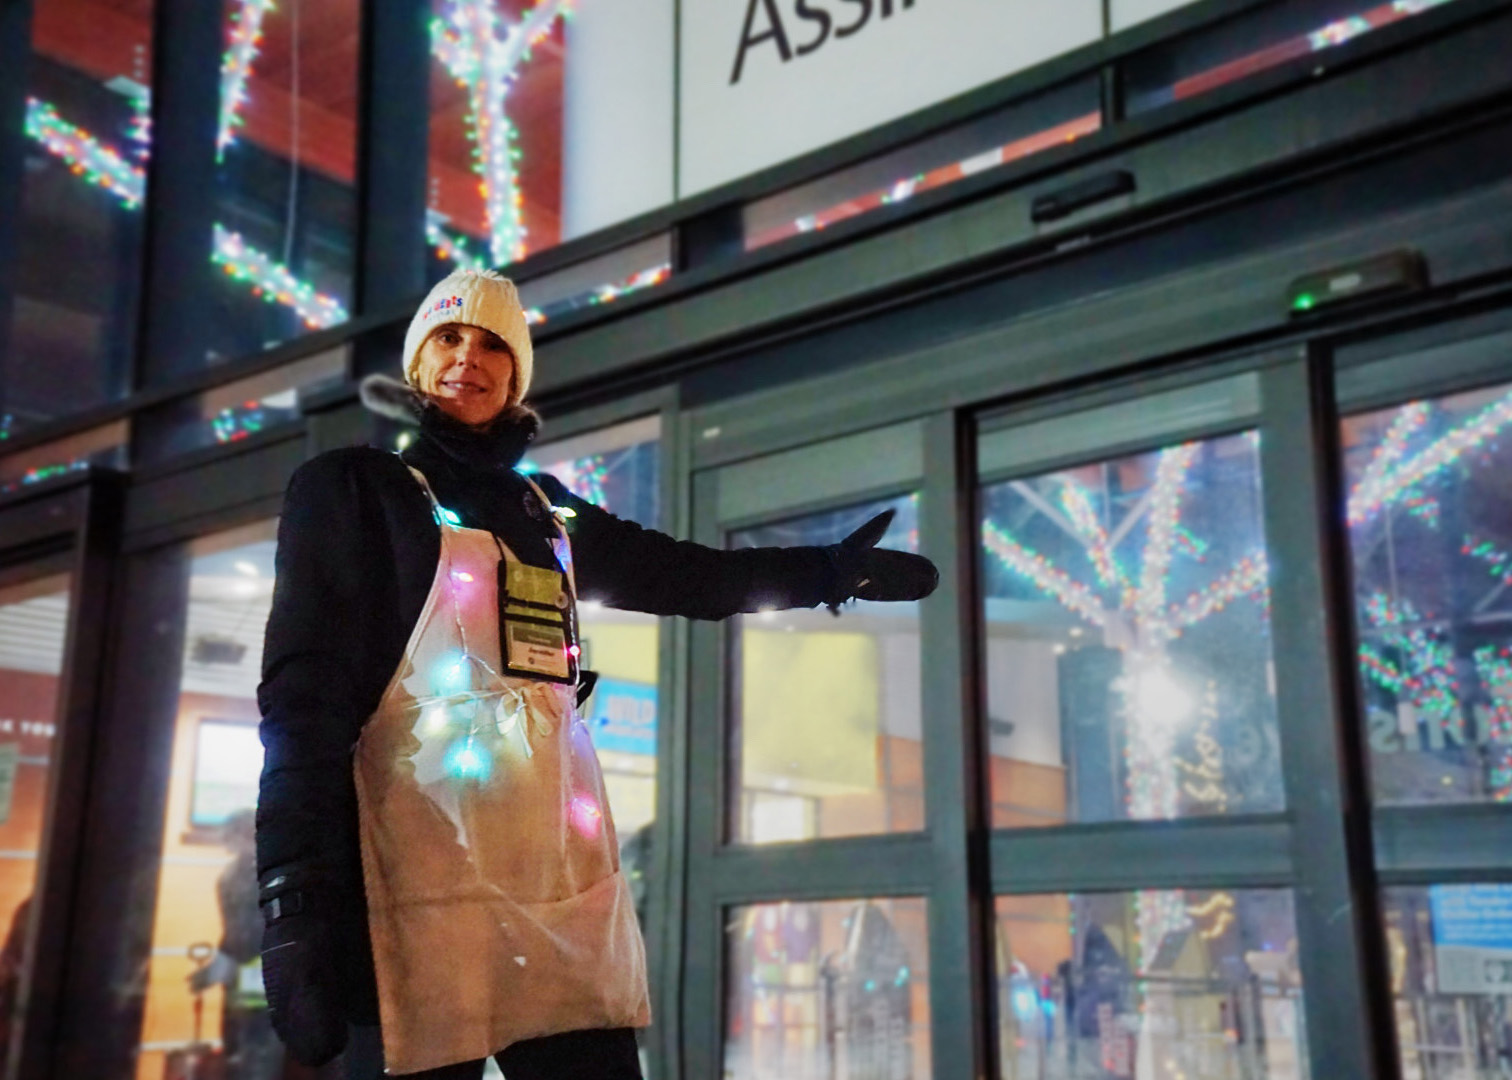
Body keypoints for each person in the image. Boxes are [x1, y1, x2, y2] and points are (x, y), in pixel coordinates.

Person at [255, 268, 939, 1079]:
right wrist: (293, 896)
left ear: (516, 375)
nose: (467, 357)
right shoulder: (355, 490)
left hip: (558, 888)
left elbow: (692, 577)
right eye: (448, 337)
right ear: (417, 362)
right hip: (409, 888)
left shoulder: (546, 512)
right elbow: (303, 701)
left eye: (492, 345)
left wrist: (828, 572)